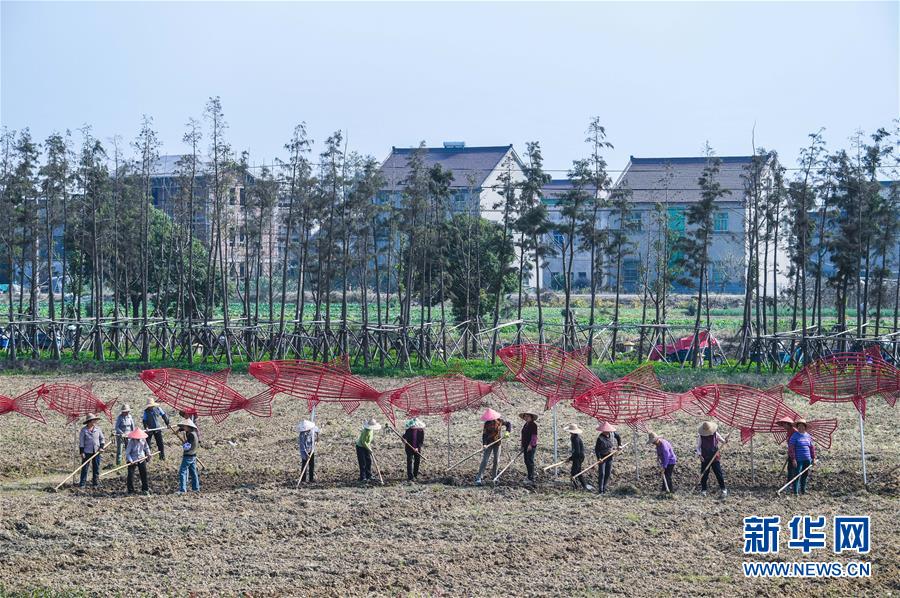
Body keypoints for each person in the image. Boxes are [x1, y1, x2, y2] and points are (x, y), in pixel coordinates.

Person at [475, 408, 511, 486]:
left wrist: (507, 432)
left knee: (496, 460)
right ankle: (479, 477)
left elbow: (508, 424)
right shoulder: (487, 424)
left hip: (497, 443)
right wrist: (484, 444)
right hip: (488, 444)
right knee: (485, 460)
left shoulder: (500, 421)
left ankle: (494, 477)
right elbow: (484, 435)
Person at [696, 421, 727, 498]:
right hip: (705, 458)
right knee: (704, 474)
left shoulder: (715, 434)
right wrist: (700, 455)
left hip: (715, 457)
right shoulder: (701, 436)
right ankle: (704, 490)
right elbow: (698, 447)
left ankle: (723, 489)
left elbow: (722, 441)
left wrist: (725, 441)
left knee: (718, 473)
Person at [788, 418, 816, 495]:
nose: (800, 427)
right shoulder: (794, 436)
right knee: (797, 475)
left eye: (802, 426)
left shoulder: (808, 436)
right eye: (799, 426)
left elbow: (811, 447)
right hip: (798, 459)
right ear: (797, 427)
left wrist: (813, 458)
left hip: (807, 459)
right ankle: (796, 492)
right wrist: (793, 459)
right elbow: (791, 448)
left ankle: (803, 491)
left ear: (805, 427)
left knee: (805, 475)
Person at [78, 413, 106, 488]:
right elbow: (81, 441)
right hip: (87, 451)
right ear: (89, 421)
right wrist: (82, 451)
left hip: (96, 451)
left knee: (96, 467)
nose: (95, 422)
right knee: (85, 468)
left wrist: (101, 447)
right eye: (93, 420)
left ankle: (95, 483)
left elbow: (102, 438)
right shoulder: (84, 430)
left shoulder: (98, 429)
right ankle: (82, 483)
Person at [563, 423, 592, 491]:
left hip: (579, 457)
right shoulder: (573, 437)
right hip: (577, 456)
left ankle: (576, 487)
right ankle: (584, 486)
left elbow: (577, 451)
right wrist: (571, 458)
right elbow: (575, 450)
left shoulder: (576, 439)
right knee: (578, 472)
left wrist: (571, 458)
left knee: (573, 473)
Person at [595, 422, 622, 493]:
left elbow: (618, 437)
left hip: (610, 456)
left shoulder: (612, 434)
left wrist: (619, 445)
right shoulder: (600, 438)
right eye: (605, 431)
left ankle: (604, 487)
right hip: (602, 457)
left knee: (608, 472)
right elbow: (597, 450)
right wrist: (599, 458)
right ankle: (600, 490)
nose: (607, 432)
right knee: (602, 473)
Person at [124, 428, 151, 495]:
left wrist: (148, 454)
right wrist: (131, 461)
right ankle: (130, 490)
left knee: (144, 474)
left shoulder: (143, 439)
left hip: (141, 458)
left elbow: (146, 447)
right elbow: (127, 453)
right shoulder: (131, 442)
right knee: (130, 475)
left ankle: (145, 489)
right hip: (132, 459)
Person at [176, 419, 200, 494]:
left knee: (182, 472)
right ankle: (196, 488)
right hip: (193, 455)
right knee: (193, 472)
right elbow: (182, 429)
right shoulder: (192, 432)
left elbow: (187, 446)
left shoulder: (191, 435)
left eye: (184, 426)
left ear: (188, 426)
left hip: (188, 455)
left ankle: (182, 490)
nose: (183, 427)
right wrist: (179, 430)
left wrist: (184, 443)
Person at [355, 417, 381, 482]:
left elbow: (368, 441)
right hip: (360, 447)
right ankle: (363, 477)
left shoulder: (371, 431)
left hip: (366, 446)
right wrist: (369, 449)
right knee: (363, 462)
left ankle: (369, 475)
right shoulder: (365, 431)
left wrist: (369, 448)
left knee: (368, 461)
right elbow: (363, 442)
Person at [519, 410, 539, 483]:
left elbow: (534, 436)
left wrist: (530, 445)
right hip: (525, 445)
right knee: (526, 461)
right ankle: (529, 475)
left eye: (528, 416)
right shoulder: (525, 425)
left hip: (530, 446)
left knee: (530, 461)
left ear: (531, 417)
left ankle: (531, 477)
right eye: (525, 416)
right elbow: (523, 436)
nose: (526, 417)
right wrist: (522, 445)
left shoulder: (533, 425)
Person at [776, 416, 796, 484]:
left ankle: (791, 483)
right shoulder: (788, 431)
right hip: (791, 452)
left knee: (792, 468)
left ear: (788, 424)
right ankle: (790, 482)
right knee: (790, 468)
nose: (783, 426)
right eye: (783, 424)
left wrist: (793, 454)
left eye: (784, 424)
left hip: (796, 453)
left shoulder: (794, 431)